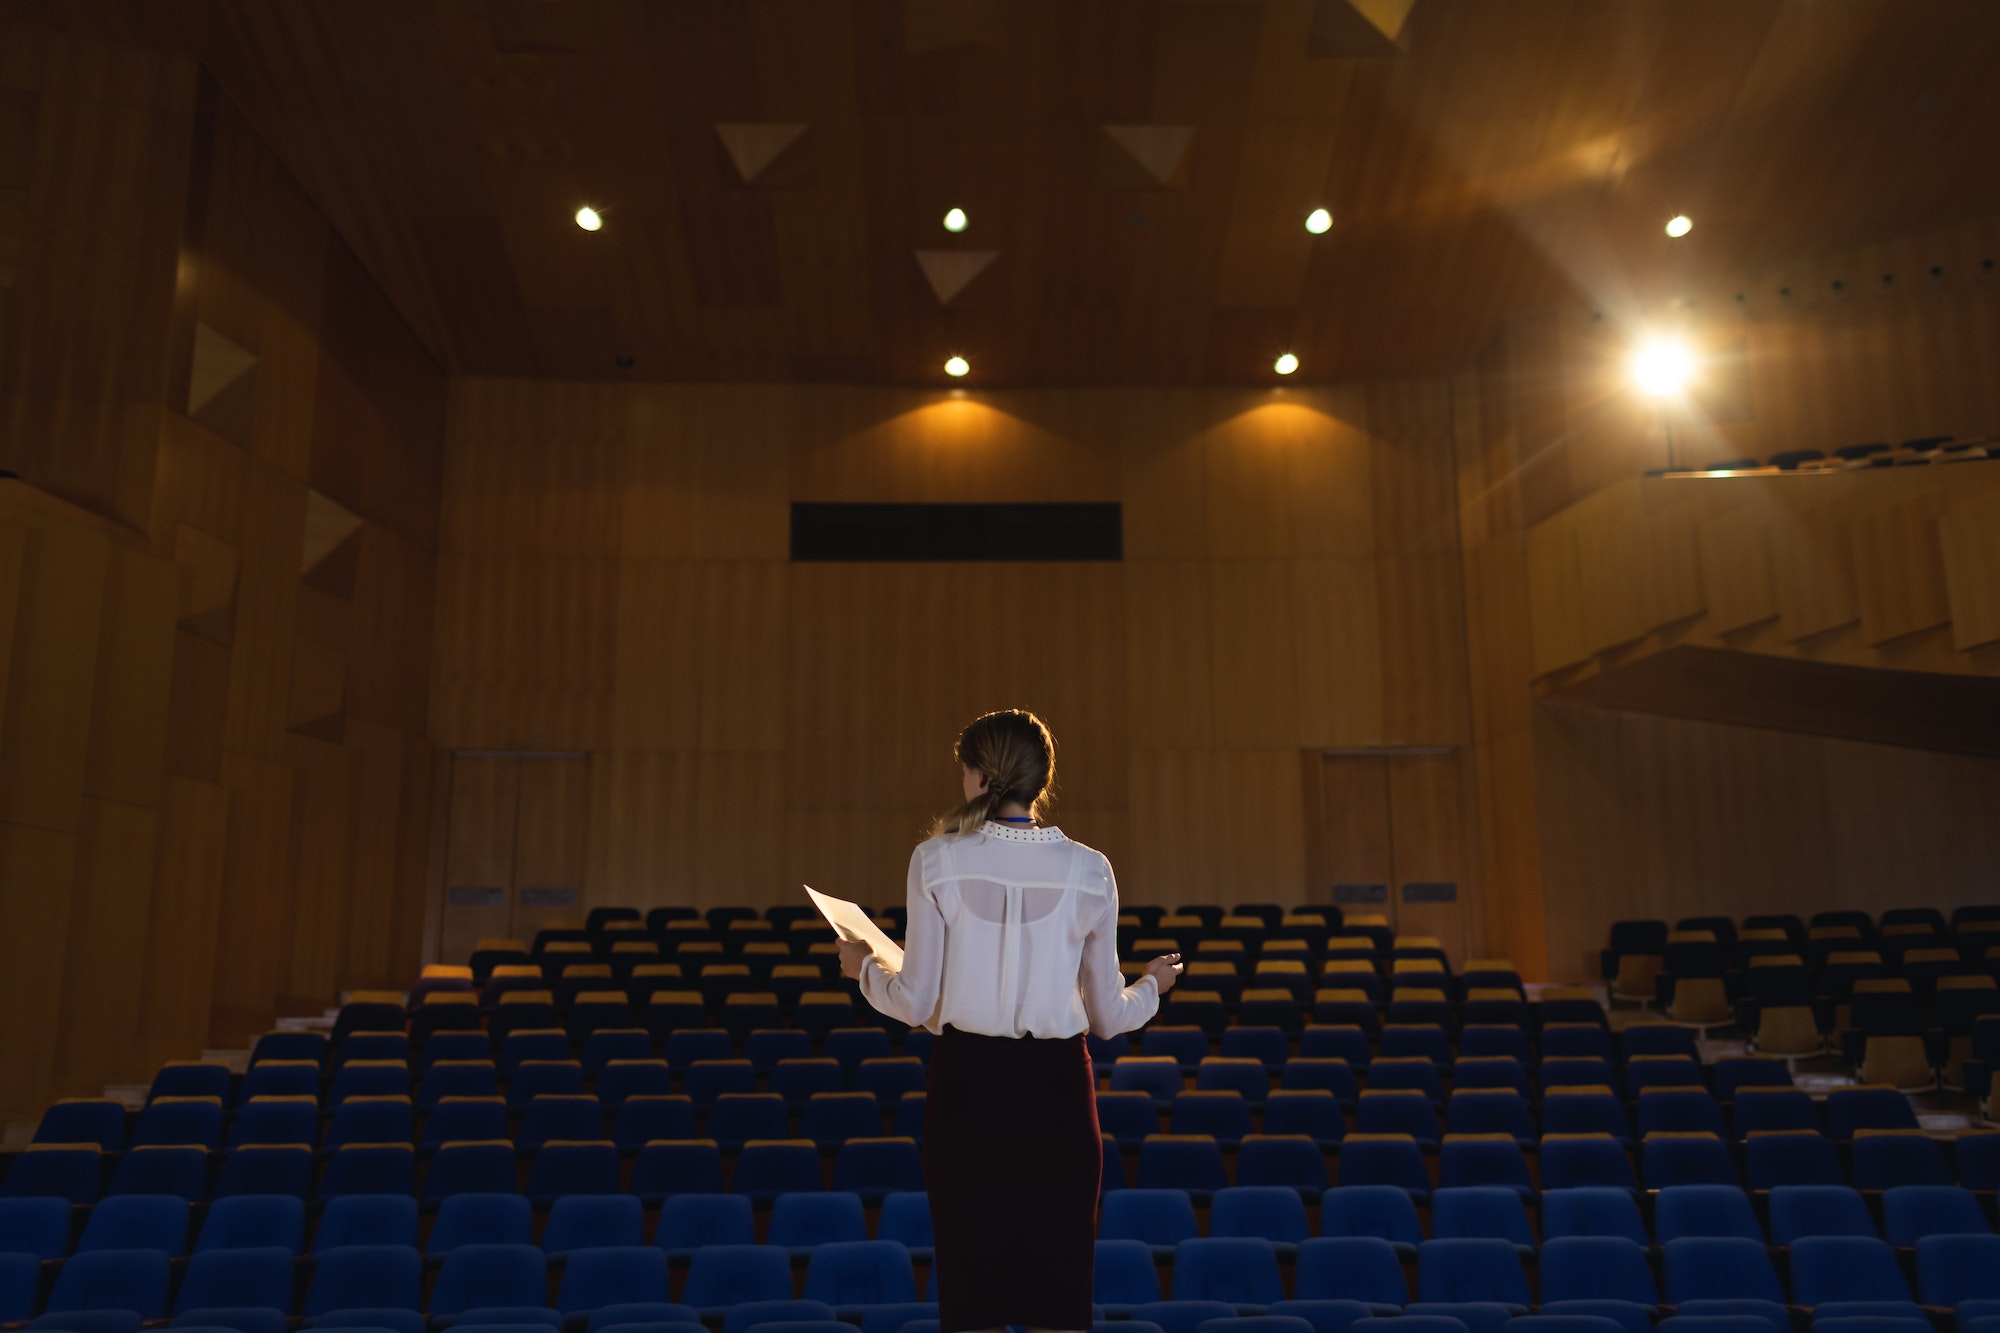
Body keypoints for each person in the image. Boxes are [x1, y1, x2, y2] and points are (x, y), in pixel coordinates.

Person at [838, 708, 1180, 1333]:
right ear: (1039, 779)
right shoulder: (1090, 868)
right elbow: (1107, 1017)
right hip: (1058, 1092)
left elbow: (915, 1002)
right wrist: (1153, 984)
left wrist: (863, 967)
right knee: (1060, 1289)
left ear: (974, 776)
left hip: (967, 1087)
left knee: (970, 1293)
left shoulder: (935, 859)